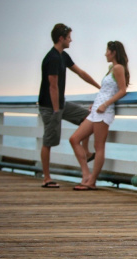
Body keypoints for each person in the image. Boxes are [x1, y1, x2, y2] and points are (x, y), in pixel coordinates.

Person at [39, 23, 101, 188]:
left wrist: (99, 87)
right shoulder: (52, 58)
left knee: (87, 118)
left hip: (60, 103)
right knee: (49, 140)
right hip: (50, 106)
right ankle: (46, 178)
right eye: (69, 37)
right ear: (61, 38)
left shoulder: (63, 56)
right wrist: (55, 111)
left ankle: (86, 152)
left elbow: (80, 73)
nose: (71, 40)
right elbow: (53, 86)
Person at [69, 41, 129, 191]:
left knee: (98, 146)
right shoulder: (110, 69)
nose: (105, 54)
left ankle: (91, 181)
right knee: (74, 139)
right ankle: (86, 175)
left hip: (104, 111)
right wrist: (96, 104)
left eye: (107, 51)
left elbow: (122, 90)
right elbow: (105, 90)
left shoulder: (118, 68)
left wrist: (105, 104)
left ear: (113, 52)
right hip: (96, 110)